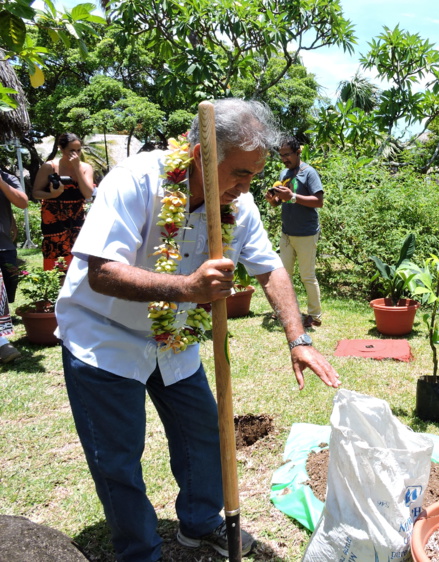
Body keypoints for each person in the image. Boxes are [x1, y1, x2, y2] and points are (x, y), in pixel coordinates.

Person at [55, 99, 340, 562]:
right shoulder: (136, 179)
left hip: (172, 341)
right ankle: (140, 552)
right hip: (102, 339)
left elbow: (270, 270)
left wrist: (298, 338)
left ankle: (202, 522)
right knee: (118, 459)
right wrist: (186, 287)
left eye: (253, 175)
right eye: (240, 173)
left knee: (205, 432)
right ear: (198, 154)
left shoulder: (238, 205)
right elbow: (101, 272)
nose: (246, 187)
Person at [264, 136, 324, 329]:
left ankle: (314, 316)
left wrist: (293, 196)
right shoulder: (284, 173)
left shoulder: (309, 173)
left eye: (287, 154)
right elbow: (282, 202)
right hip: (287, 233)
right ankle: (284, 310)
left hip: (306, 232)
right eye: (281, 155)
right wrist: (273, 201)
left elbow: (319, 201)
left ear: (298, 152)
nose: (284, 159)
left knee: (307, 276)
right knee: (284, 275)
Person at [32, 132, 94, 270]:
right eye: (72, 150)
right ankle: (57, 287)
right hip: (53, 219)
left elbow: (88, 193)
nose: (76, 154)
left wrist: (77, 168)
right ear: (61, 148)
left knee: (78, 256)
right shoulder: (50, 167)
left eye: (78, 150)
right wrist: (53, 194)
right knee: (56, 257)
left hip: (76, 218)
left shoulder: (86, 168)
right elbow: (36, 192)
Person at [0, 167, 28, 363]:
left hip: (4, 244)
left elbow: (22, 202)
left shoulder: (6, 177)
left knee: (9, 286)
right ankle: (2, 343)